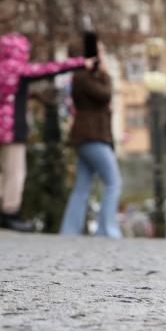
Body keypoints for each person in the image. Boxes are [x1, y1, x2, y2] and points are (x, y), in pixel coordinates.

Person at [0, 33, 91, 231]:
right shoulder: (18, 69)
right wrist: (81, 63)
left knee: (7, 171)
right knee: (17, 172)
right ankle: (9, 213)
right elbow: (49, 69)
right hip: (13, 126)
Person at [58, 43, 122, 238]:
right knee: (113, 182)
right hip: (92, 137)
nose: (102, 56)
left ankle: (69, 230)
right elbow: (105, 94)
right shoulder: (83, 76)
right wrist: (105, 73)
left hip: (88, 136)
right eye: (100, 52)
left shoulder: (82, 77)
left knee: (82, 186)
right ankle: (107, 230)